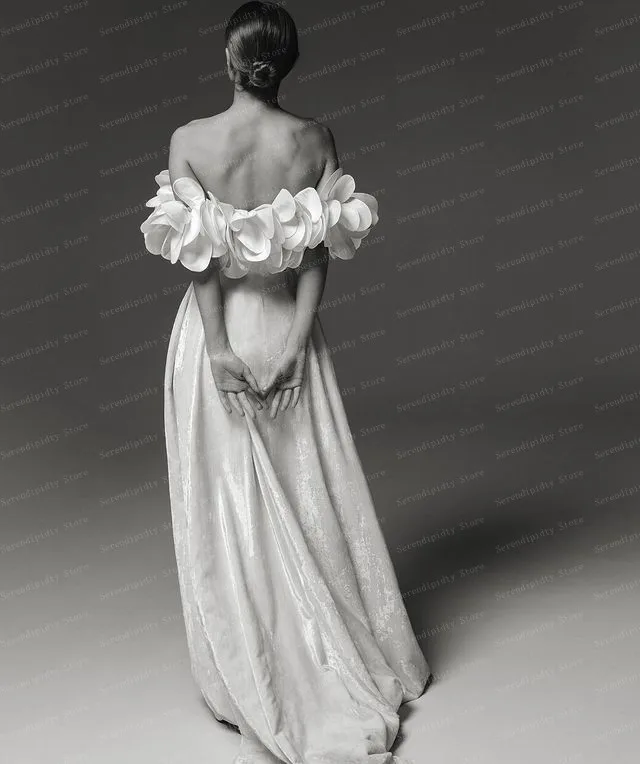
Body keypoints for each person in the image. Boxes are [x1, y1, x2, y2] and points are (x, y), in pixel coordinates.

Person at [140, 3, 432, 762]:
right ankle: (329, 649)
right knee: (308, 485)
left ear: (228, 61)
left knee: (224, 495)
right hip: (284, 328)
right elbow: (318, 254)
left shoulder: (189, 142)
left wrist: (217, 349)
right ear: (286, 65)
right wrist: (298, 346)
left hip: (218, 337)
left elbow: (201, 258)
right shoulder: (314, 140)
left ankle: (252, 658)